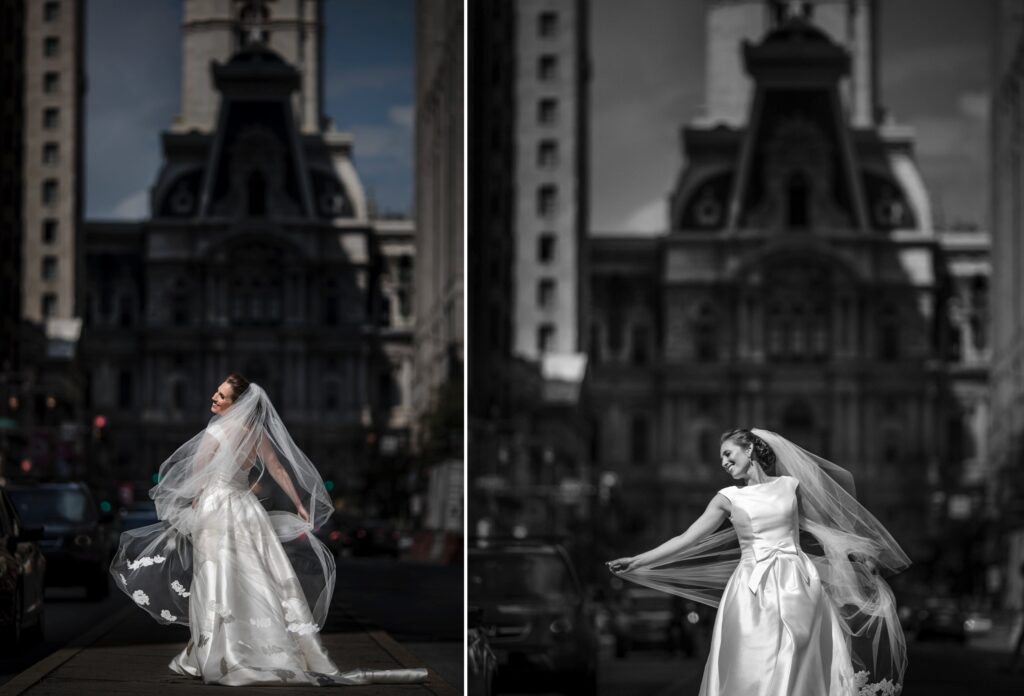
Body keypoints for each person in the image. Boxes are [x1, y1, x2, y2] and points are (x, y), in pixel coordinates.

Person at [110, 374, 427, 686]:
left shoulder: (216, 430)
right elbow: (276, 468)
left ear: (236, 404)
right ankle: (260, 648)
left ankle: (214, 652)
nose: (214, 398)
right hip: (245, 509)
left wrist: (192, 500)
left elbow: (199, 470)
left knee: (213, 576)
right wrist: (299, 502)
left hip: (215, 506)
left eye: (221, 395)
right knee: (256, 576)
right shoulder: (255, 432)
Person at [608, 428, 909, 696]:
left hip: (798, 583)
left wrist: (856, 556)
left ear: (749, 449)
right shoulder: (726, 498)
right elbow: (686, 539)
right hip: (751, 590)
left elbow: (823, 529)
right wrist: (638, 560)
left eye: (728, 454)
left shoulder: (790, 487)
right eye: (721, 458)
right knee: (753, 662)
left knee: (799, 653)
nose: (724, 463)